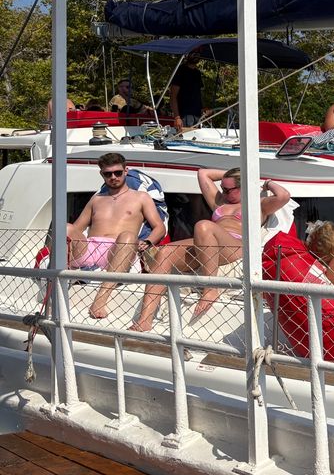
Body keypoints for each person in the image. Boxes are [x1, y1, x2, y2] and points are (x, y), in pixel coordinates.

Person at [130, 168, 289, 332]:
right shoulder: (220, 201)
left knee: (203, 226)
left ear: (244, 187)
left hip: (235, 245)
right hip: (207, 242)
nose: (224, 193)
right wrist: (236, 173)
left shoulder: (257, 205)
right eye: (223, 188)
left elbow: (283, 196)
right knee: (164, 253)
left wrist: (265, 183)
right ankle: (144, 320)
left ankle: (211, 289)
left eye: (228, 190)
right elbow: (203, 173)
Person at [66, 153, 166, 319]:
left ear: (126, 171)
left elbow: (159, 228)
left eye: (118, 173)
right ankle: (54, 286)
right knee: (66, 228)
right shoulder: (96, 200)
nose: (113, 177)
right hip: (89, 248)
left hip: (118, 251)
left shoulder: (141, 197)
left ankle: (101, 298)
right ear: (102, 174)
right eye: (108, 174)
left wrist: (148, 241)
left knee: (128, 235)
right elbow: (76, 228)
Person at [170, 52, 204, 129]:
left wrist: (203, 109)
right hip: (184, 116)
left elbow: (199, 94)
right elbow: (173, 96)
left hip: (198, 116)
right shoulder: (180, 71)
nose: (196, 55)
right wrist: (177, 117)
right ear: (187, 55)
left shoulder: (197, 73)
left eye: (198, 53)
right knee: (187, 140)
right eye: (193, 53)